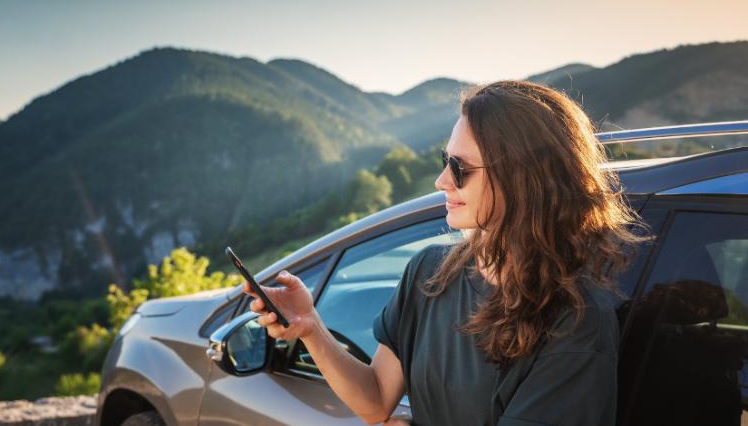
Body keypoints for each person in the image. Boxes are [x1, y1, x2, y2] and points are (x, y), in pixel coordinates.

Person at [243, 80, 649, 425]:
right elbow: (377, 396)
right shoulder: (430, 273)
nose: (441, 181)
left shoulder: (575, 321)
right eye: (445, 161)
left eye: (459, 168)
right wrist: (310, 326)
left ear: (525, 179)